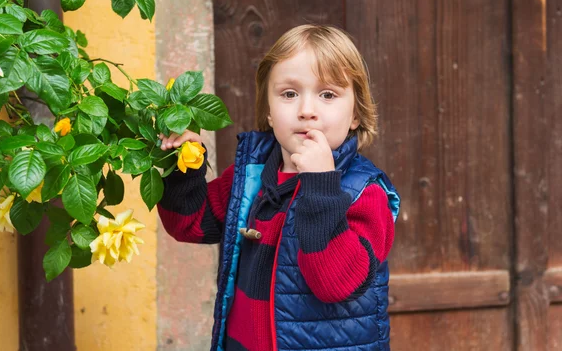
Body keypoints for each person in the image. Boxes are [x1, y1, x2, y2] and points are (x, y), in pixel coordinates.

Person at [157, 24, 400, 351]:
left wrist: (320, 187)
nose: (306, 111)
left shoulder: (364, 193)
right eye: (289, 94)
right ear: (269, 112)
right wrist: (185, 166)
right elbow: (190, 224)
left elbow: (337, 284)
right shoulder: (252, 177)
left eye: (327, 94)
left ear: (355, 114)